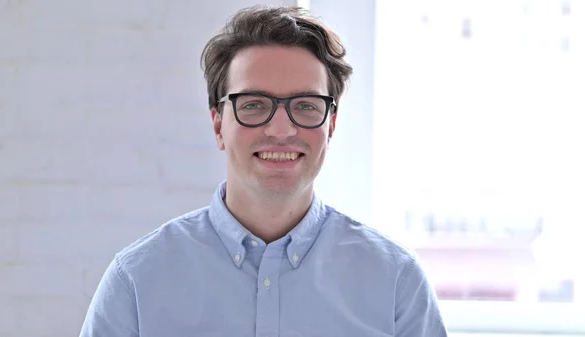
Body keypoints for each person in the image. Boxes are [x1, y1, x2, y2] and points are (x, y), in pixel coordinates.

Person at [79, 5, 448, 337]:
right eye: (254, 105)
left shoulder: (396, 280)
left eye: (305, 105)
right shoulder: (138, 280)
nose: (282, 130)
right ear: (218, 125)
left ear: (331, 126)